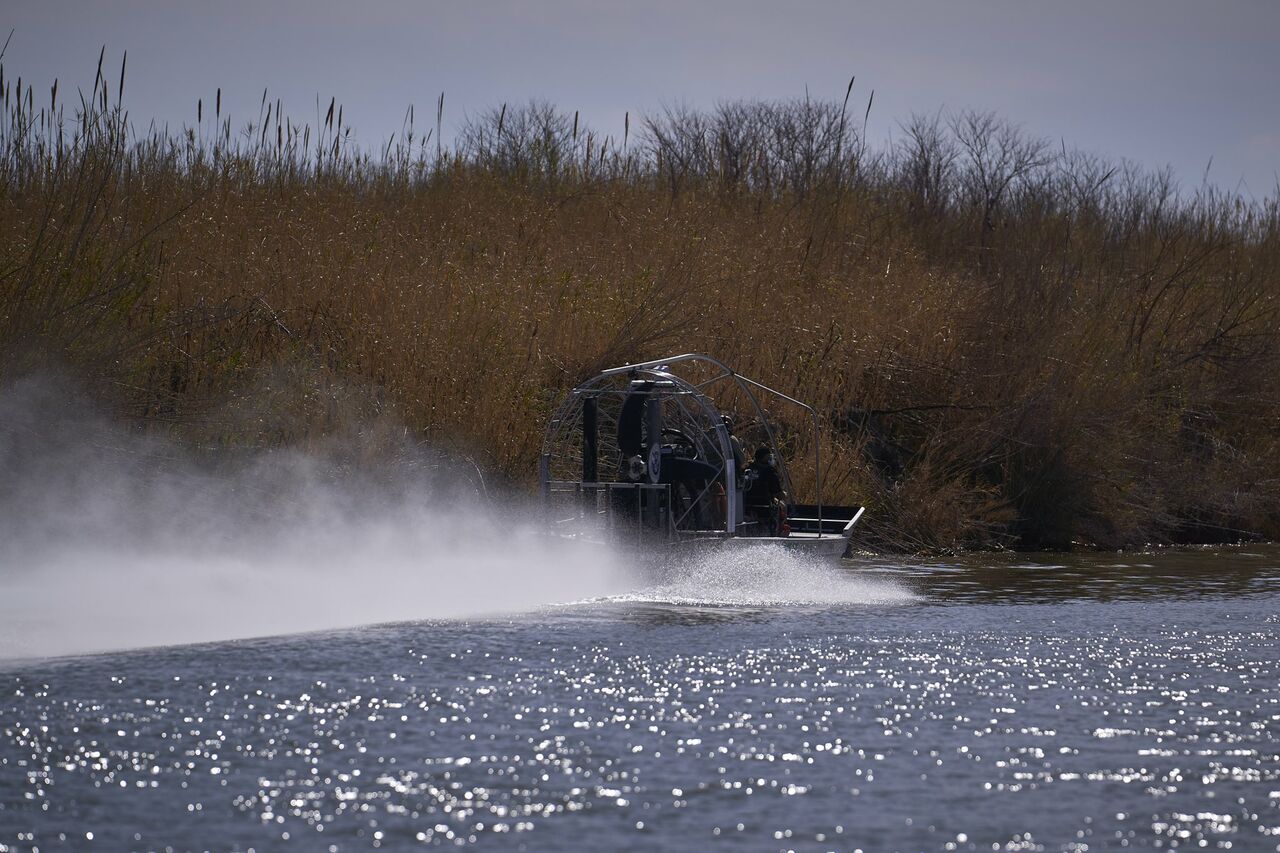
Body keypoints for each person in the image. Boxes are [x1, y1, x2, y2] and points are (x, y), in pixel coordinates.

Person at [744, 446, 787, 535]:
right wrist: (784, 495)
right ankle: (778, 531)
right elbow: (778, 493)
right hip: (764, 507)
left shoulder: (746, 468)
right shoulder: (769, 470)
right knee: (782, 505)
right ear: (765, 457)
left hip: (746, 506)